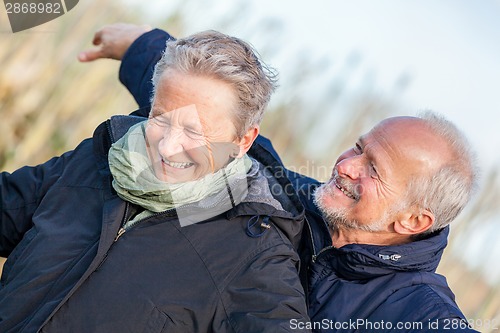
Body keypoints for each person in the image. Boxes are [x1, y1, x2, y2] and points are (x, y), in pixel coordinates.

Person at [80, 24, 482, 332]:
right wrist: (141, 45)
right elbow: (218, 127)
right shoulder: (290, 200)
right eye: (359, 147)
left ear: (414, 220)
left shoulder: (422, 314)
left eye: (374, 169)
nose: (346, 165)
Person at [0, 30, 312, 333]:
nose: (166, 147)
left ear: (243, 141)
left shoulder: (254, 259)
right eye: (160, 117)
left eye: (194, 132)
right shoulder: (99, 158)